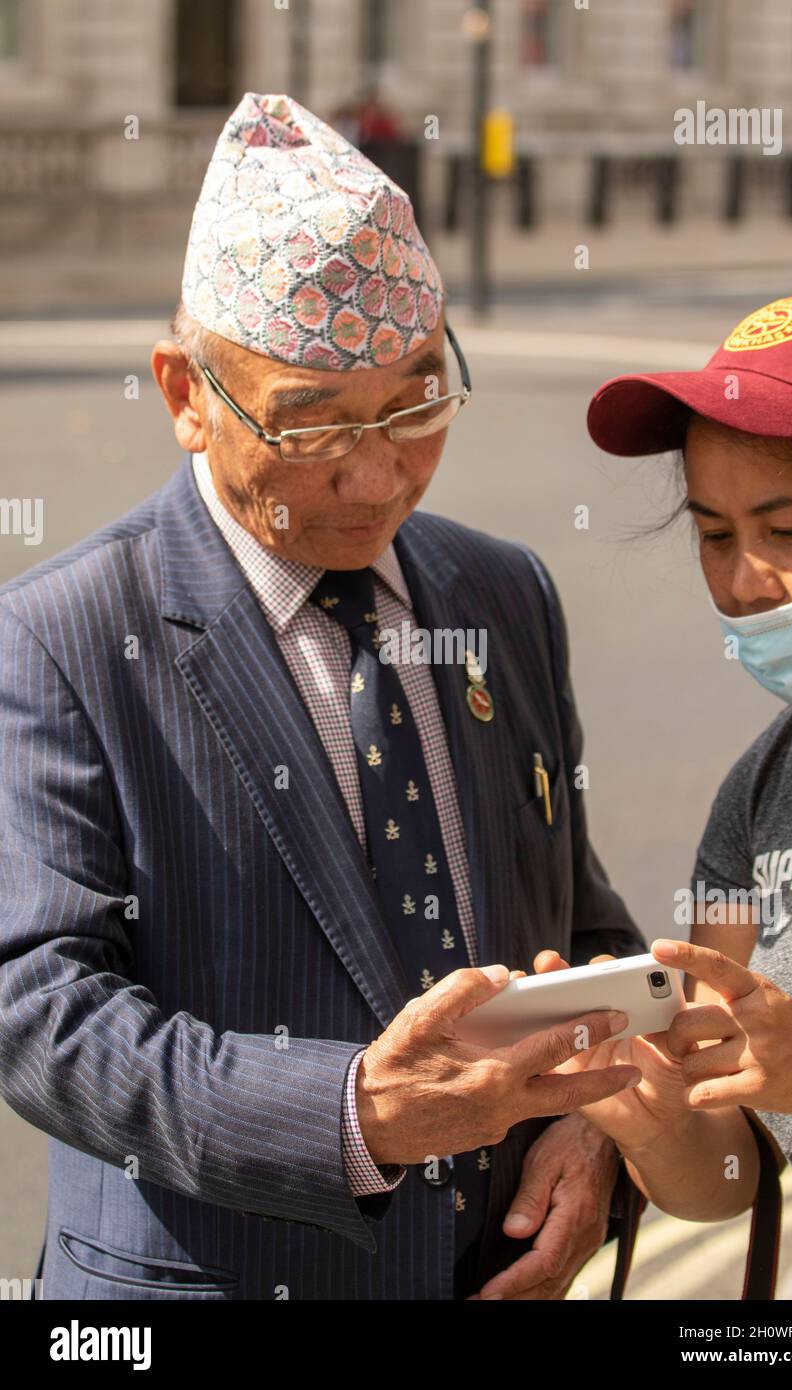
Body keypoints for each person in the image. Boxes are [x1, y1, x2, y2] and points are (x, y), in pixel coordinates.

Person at [0, 92, 645, 1302]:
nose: (375, 473)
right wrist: (353, 1116)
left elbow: (577, 919)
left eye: (415, 403)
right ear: (185, 393)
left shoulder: (500, 591)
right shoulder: (64, 634)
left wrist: (596, 1122)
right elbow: (40, 1011)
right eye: (311, 424)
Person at [571, 293, 792, 1296]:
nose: (740, 582)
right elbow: (731, 1169)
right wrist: (645, 1111)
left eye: (784, 529)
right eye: (710, 533)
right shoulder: (758, 787)